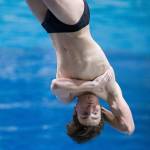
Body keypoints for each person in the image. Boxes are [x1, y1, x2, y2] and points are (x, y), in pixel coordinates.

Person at [26, 0, 135, 143]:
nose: (91, 109)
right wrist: (102, 112)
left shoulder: (67, 96)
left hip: (50, 25)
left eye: (84, 114)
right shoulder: (109, 91)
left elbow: (55, 85)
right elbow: (127, 128)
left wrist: (91, 86)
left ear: (76, 110)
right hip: (75, 22)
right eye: (95, 114)